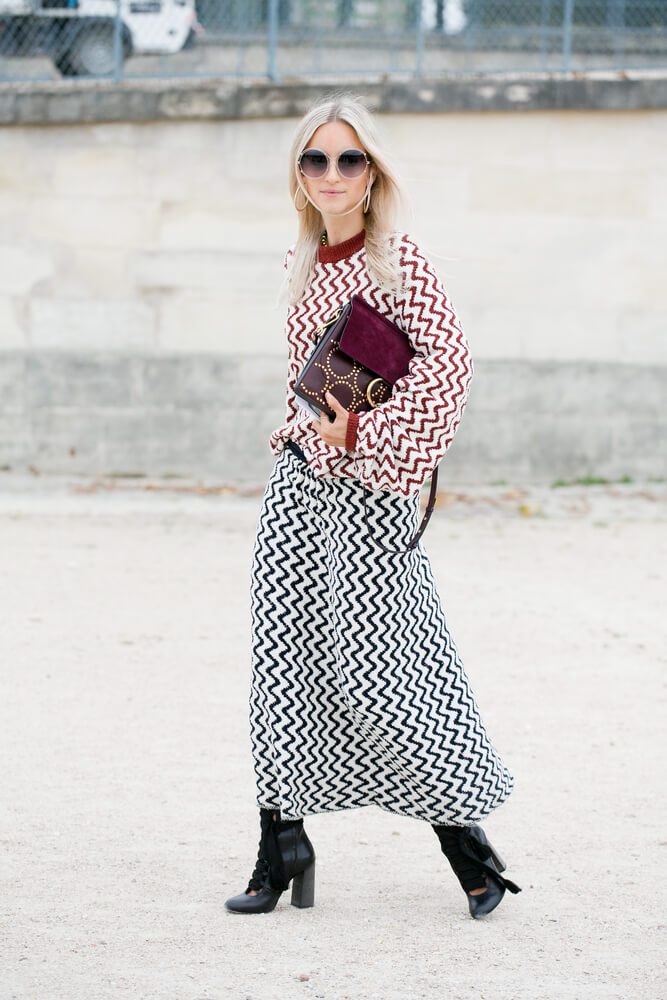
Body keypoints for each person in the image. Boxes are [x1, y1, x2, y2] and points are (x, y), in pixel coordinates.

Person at [224, 94, 520, 919]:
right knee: (282, 662)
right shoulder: (299, 258)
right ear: (299, 171)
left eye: (347, 159)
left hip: (370, 492)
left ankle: (466, 843)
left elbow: (448, 367)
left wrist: (368, 433)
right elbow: (303, 380)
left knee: (383, 669)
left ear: (372, 172)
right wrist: (303, 429)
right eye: (314, 159)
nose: (329, 174)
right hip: (296, 485)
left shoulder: (400, 260)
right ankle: (279, 844)